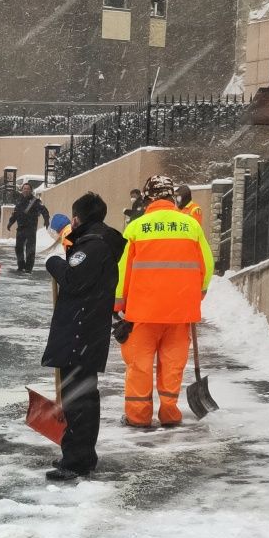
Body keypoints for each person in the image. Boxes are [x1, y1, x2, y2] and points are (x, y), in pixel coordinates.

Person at [115, 174, 214, 428]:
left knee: (140, 365)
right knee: (172, 364)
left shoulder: (137, 227)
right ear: (172, 197)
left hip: (143, 312)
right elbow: (208, 265)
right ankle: (170, 412)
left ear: (148, 198)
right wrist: (198, 293)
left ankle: (139, 416)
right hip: (180, 311)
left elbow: (122, 270)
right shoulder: (191, 226)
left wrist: (118, 303)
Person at [42, 192, 126, 481]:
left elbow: (73, 279)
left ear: (78, 217)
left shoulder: (93, 246)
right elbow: (78, 269)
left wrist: (54, 263)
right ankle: (78, 454)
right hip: (85, 329)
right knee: (80, 395)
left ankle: (77, 461)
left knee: (79, 398)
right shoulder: (94, 242)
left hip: (81, 331)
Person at [7, 184, 50, 273]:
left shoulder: (35, 201)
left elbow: (44, 210)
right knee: (18, 248)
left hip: (31, 228)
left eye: (28, 189)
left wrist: (46, 220)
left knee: (30, 249)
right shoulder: (19, 202)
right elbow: (15, 214)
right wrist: (10, 223)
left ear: (31, 190)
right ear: (22, 190)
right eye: (24, 189)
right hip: (20, 228)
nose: (26, 190)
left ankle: (28, 268)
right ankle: (21, 266)